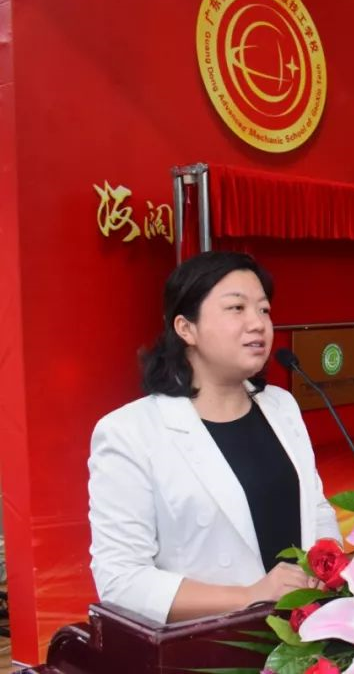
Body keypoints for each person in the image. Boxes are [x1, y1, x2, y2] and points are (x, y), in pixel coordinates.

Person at [88, 251, 340, 624]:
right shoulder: (130, 433)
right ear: (186, 329)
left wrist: (324, 568)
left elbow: (316, 510)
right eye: (237, 308)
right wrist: (250, 596)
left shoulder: (282, 407)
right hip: (209, 643)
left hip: (305, 633)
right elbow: (121, 580)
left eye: (264, 310)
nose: (258, 323)